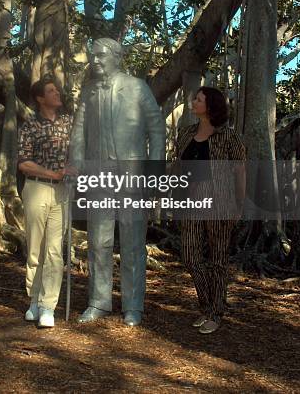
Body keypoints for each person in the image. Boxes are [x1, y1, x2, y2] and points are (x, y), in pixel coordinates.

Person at [70, 38, 165, 327]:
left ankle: (133, 306)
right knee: (98, 240)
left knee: (133, 243)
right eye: (92, 56)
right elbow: (78, 133)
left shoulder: (137, 87)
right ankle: (98, 302)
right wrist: (77, 165)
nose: (94, 61)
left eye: (99, 56)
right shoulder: (88, 92)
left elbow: (156, 129)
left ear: (116, 56)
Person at [173, 87, 246, 334]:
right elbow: (177, 167)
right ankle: (207, 306)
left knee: (218, 261)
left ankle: (215, 313)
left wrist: (238, 204)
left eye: (199, 99)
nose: (193, 102)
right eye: (195, 98)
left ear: (211, 106)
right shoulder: (185, 134)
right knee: (191, 257)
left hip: (220, 203)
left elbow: (240, 172)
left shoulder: (228, 137)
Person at [18, 77, 72, 328]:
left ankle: (48, 305)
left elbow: (78, 155)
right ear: (40, 98)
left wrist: (73, 170)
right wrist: (53, 173)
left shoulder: (68, 123)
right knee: (35, 248)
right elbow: (23, 163)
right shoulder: (30, 125)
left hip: (62, 193)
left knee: (54, 250)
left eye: (57, 89)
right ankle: (34, 300)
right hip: (37, 189)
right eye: (51, 91)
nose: (57, 93)